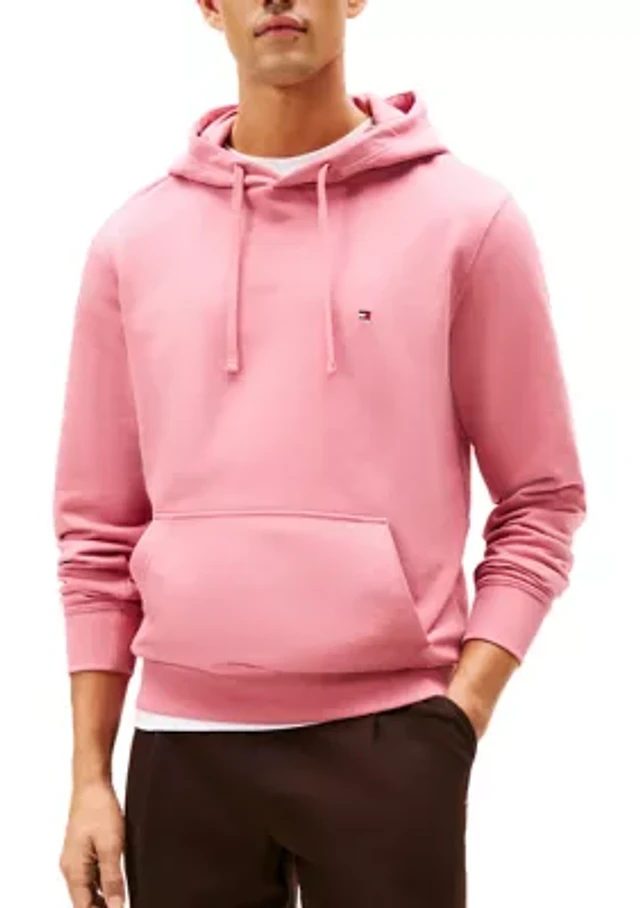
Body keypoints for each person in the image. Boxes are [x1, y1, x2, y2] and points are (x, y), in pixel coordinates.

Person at [53, 1, 587, 906]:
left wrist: (460, 714)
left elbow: (541, 498)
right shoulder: (132, 243)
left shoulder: (467, 220)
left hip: (390, 739)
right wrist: (89, 777)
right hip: (182, 747)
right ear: (209, 6)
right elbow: (96, 530)